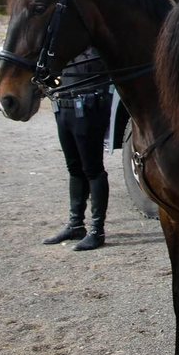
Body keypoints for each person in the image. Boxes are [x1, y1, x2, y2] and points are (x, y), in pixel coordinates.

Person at [42, 48, 111, 251]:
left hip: (88, 108)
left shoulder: (96, 43)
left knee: (92, 169)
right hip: (64, 106)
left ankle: (97, 230)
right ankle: (76, 224)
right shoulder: (66, 43)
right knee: (74, 168)